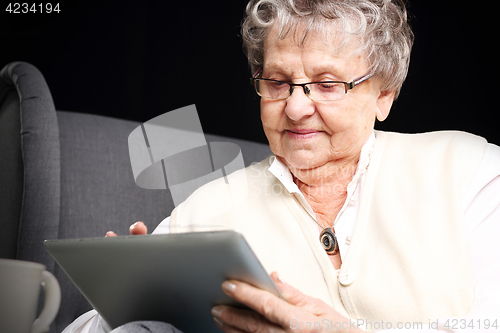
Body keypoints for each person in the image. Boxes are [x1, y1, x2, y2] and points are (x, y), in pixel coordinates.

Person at [65, 0, 500, 332]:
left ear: (384, 93)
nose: (294, 107)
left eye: (327, 84)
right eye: (277, 82)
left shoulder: (468, 170)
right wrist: (122, 303)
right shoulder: (206, 210)